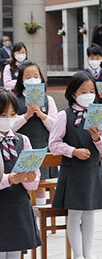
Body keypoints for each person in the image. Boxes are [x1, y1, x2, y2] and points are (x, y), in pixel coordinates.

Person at [49, 71, 102, 259]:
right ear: (73, 94)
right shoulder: (63, 115)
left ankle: (89, 253)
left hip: (93, 168)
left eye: (92, 90)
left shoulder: (99, 116)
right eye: (83, 91)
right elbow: (54, 144)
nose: (88, 94)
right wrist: (73, 151)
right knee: (75, 214)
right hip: (73, 170)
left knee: (90, 213)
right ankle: (77, 256)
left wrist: (96, 139)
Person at [0, 88, 41, 259]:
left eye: (13, 113)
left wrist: (27, 177)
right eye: (4, 114)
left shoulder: (22, 140)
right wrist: (10, 179)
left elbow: (33, 183)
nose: (9, 118)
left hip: (18, 204)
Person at [13, 60, 58, 207]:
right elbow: (9, 126)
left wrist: (41, 115)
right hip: (20, 148)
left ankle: (39, 221)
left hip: (42, 146)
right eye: (28, 76)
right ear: (22, 79)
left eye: (35, 75)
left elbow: (55, 127)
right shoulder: (14, 99)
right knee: (23, 184)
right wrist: (26, 116)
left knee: (41, 184)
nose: (32, 79)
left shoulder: (48, 100)